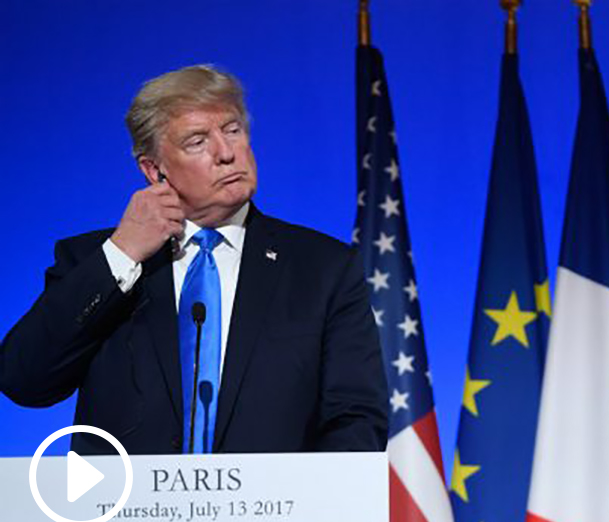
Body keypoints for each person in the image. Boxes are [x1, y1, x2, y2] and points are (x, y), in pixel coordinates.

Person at [0, 65, 388, 455]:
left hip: (274, 513)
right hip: (126, 512)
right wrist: (123, 254)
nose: (226, 153)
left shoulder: (323, 268)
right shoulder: (95, 260)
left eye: (233, 130)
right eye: (197, 141)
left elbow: (355, 419)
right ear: (154, 171)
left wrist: (304, 511)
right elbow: (24, 380)